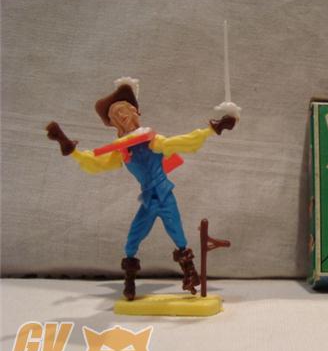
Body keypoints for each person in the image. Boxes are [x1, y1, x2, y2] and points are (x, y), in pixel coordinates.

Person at [46, 78, 236, 299]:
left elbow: (180, 142)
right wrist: (72, 150)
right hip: (148, 200)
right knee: (133, 239)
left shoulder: (152, 140)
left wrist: (212, 129)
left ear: (135, 112)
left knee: (178, 235)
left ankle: (190, 274)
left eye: (125, 112)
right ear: (114, 123)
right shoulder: (121, 151)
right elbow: (97, 162)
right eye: (117, 115)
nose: (123, 117)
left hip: (164, 194)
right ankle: (129, 281)